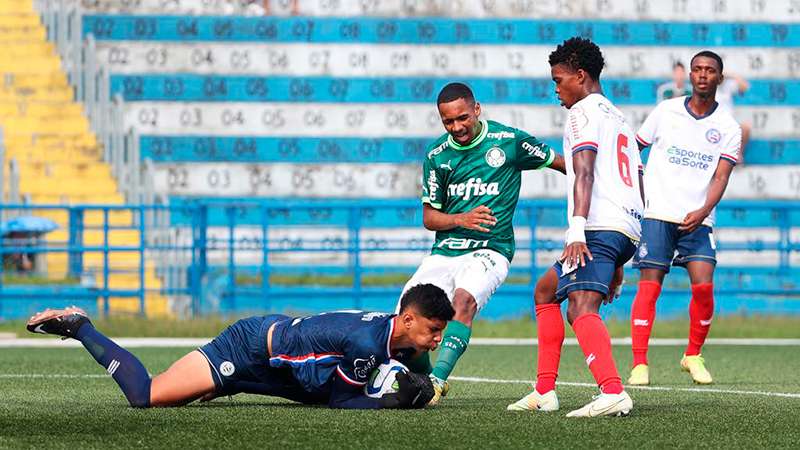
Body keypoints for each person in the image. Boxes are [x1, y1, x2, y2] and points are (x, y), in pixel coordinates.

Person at [398, 82, 566, 405]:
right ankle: (419, 377)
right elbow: (430, 217)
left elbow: (562, 164)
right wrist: (461, 219)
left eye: (463, 117)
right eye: (448, 121)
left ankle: (435, 382)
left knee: (463, 301)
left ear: (477, 110)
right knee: (408, 313)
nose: (457, 127)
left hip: (491, 250)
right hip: (445, 251)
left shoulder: (508, 142)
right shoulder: (437, 155)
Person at [26, 283, 454, 409]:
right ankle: (81, 326)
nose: (436, 339)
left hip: (273, 364)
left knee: (202, 393)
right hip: (247, 349)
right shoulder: (366, 342)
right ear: (408, 319)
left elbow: (412, 369)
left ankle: (221, 386)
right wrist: (391, 400)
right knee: (148, 397)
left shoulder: (398, 335)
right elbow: (341, 401)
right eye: (433, 330)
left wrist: (420, 385)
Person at [507, 37, 644, 417]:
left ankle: (613, 390)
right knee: (546, 292)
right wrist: (618, 258)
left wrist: (577, 229)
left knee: (581, 307)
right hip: (625, 226)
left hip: (598, 226)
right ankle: (544, 391)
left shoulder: (581, 112)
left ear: (580, 76)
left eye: (558, 80)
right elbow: (636, 178)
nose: (556, 90)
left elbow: (583, 171)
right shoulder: (619, 118)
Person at [628, 50, 741, 387]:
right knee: (650, 288)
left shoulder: (728, 127)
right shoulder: (665, 111)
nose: (703, 75)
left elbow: (721, 177)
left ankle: (692, 354)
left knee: (704, 285)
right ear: (690, 75)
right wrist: (641, 192)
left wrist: (703, 211)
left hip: (699, 219)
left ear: (720, 78)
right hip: (658, 213)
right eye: (697, 69)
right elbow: (635, 148)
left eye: (710, 70)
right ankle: (639, 363)